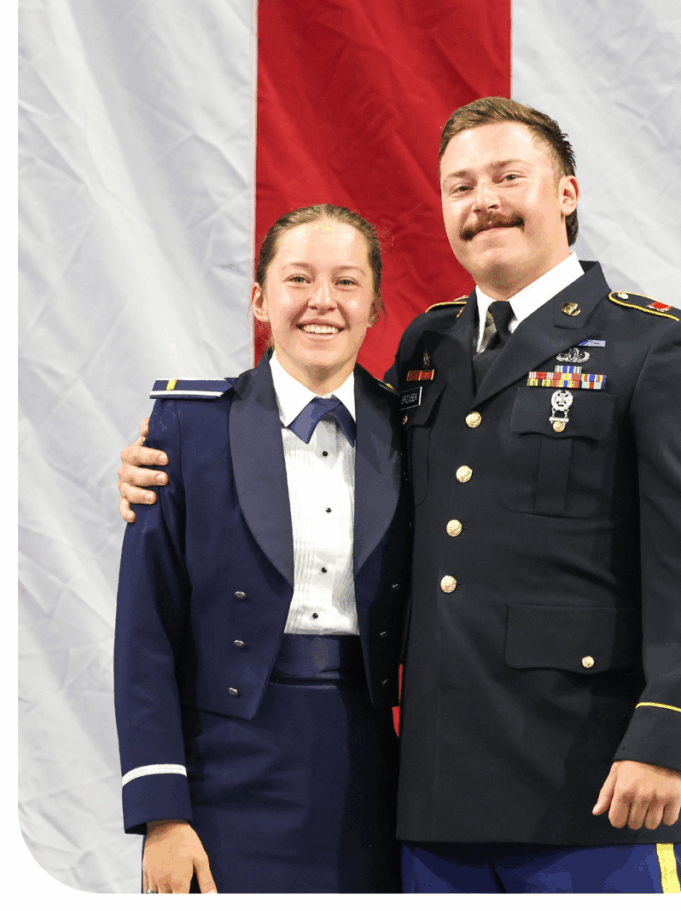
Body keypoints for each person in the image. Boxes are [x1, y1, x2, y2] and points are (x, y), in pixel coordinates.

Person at [118, 99, 681, 894]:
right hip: (430, 803)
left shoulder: (656, 346)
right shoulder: (431, 347)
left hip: (591, 789)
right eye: (460, 185)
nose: (482, 198)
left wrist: (668, 736)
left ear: (568, 193)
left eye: (507, 176)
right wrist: (161, 466)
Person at [114, 204, 408, 894]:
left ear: (374, 307)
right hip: (223, 774)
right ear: (259, 299)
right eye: (298, 279)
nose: (321, 303)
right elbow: (145, 632)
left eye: (346, 282)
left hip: (369, 773)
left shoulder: (416, 432)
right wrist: (161, 814)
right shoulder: (187, 428)